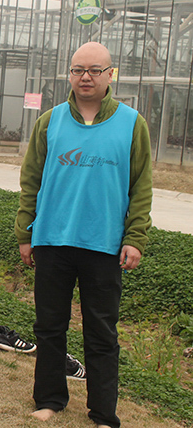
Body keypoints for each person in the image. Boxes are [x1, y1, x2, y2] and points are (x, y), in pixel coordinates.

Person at [15, 42, 153, 428]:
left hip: (104, 245)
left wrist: (135, 237)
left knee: (101, 333)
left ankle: (104, 412)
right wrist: (25, 233)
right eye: (78, 70)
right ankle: (49, 399)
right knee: (49, 326)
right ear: (70, 74)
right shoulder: (50, 121)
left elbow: (141, 186)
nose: (85, 77)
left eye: (94, 70)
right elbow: (31, 180)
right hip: (52, 240)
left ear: (111, 74)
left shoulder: (132, 123)